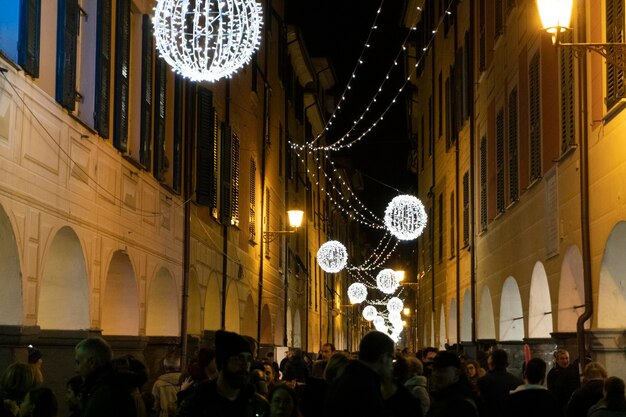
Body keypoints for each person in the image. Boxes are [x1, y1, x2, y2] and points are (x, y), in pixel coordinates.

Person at [324, 331, 422, 417]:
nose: (392, 365)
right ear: (383, 358)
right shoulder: (365, 387)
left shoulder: (345, 379)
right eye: (392, 358)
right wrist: (391, 386)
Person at [177, 330, 269, 417]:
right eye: (239, 358)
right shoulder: (196, 403)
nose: (245, 365)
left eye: (248, 359)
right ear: (222, 362)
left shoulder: (258, 405)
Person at [74, 336, 136, 417]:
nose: (76, 370)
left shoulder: (104, 395)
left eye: (78, 362)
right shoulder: (111, 386)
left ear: (91, 362)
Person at [426, 350, 479, 417]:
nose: (436, 374)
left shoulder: (462, 405)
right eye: (434, 369)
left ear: (456, 373)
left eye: (442, 370)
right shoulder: (439, 397)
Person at [476, 348, 524, 417]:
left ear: (492, 363)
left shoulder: (483, 381)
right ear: (506, 363)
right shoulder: (517, 382)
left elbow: (481, 405)